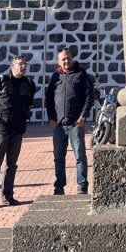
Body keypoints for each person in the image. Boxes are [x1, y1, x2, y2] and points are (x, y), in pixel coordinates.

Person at [0, 55, 37, 210]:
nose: (23, 67)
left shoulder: (29, 84)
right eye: (20, 64)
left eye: (25, 64)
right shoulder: (0, 81)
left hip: (17, 129)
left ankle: (8, 196)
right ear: (12, 66)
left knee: (12, 164)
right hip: (1, 129)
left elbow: (29, 104)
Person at [45, 47, 94, 195]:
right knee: (59, 158)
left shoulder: (81, 74)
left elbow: (89, 96)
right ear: (59, 62)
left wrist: (83, 116)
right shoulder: (55, 76)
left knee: (80, 157)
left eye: (68, 58)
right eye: (63, 59)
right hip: (59, 125)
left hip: (75, 124)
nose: (66, 61)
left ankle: (82, 187)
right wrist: (51, 118)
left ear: (72, 58)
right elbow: (49, 99)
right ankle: (59, 187)